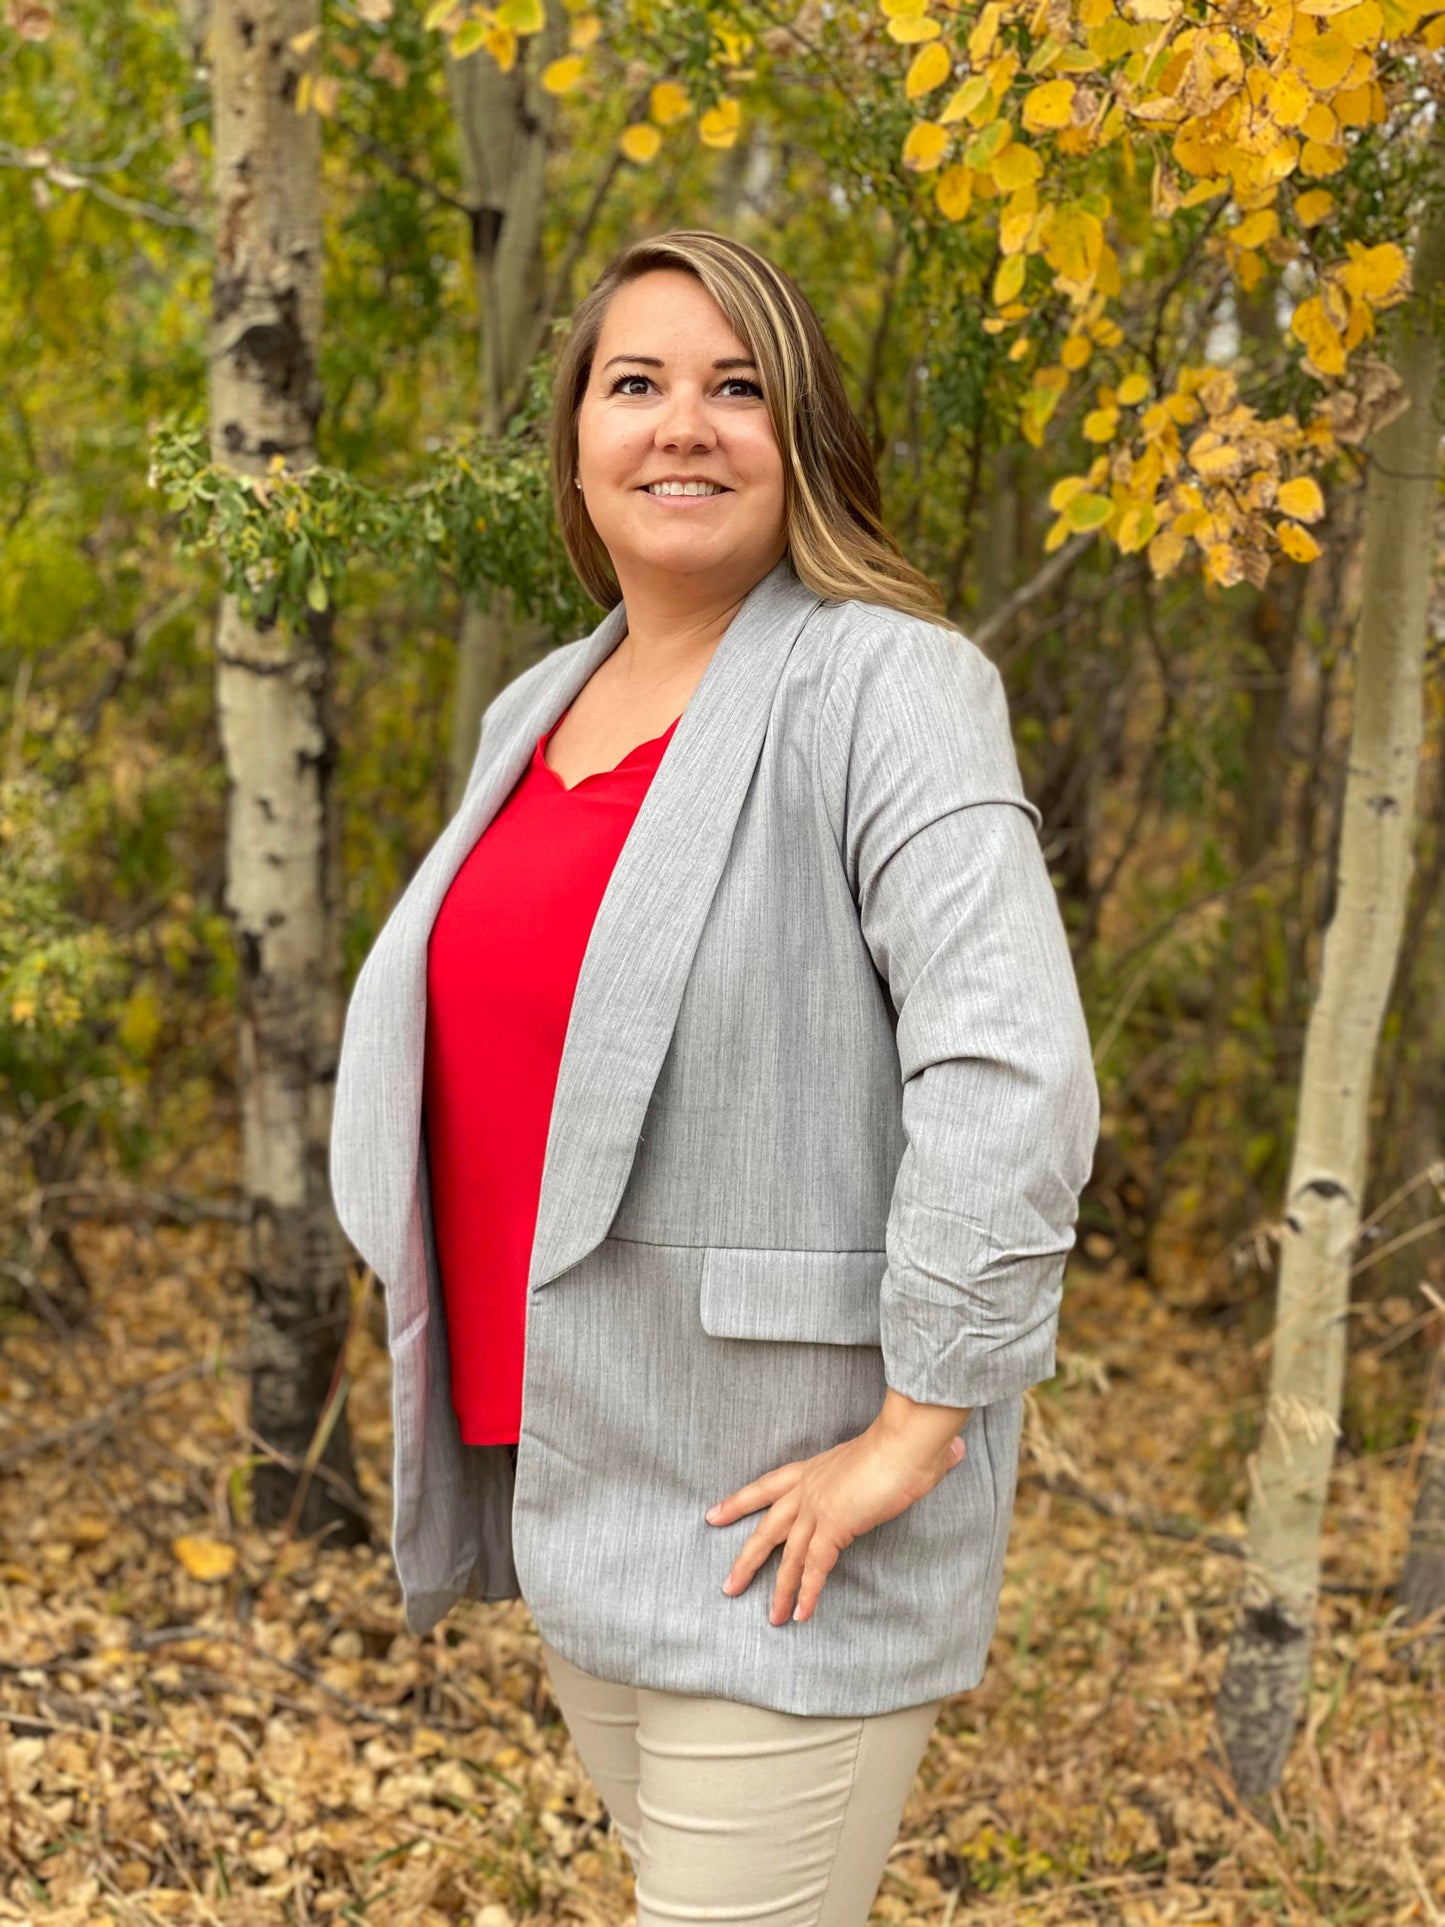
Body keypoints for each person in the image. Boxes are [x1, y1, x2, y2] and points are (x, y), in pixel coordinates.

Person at [329, 229, 1099, 1926]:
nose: (683, 424)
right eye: (636, 384)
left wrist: (919, 1427)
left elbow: (1009, 1066)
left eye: (736, 386)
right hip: (579, 1480)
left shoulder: (884, 681)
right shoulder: (538, 706)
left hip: (783, 1509)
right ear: (578, 441)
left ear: (801, 434)